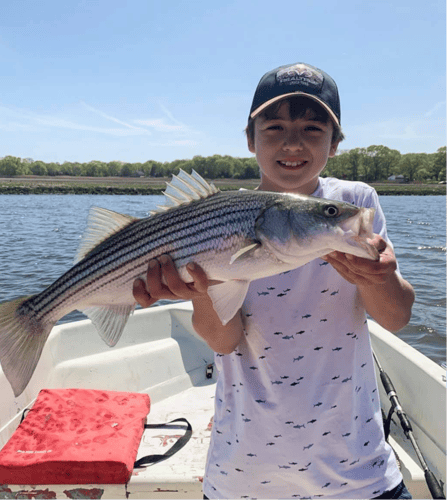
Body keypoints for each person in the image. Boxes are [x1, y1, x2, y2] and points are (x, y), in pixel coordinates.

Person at [133, 62, 415, 500]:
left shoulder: (354, 205)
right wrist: (199, 292)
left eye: (312, 128)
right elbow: (223, 342)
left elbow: (395, 318)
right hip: (244, 474)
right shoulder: (218, 220)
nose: (292, 142)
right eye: (275, 126)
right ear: (250, 138)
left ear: (335, 144)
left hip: (358, 472)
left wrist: (378, 277)